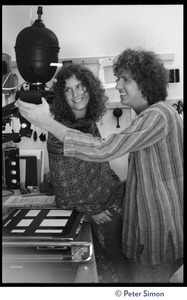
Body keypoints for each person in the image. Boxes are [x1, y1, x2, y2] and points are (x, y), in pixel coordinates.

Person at [15, 48, 183, 283]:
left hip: (154, 236)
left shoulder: (157, 116)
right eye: (118, 79)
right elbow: (149, 176)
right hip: (142, 229)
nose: (118, 85)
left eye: (126, 80)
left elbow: (105, 149)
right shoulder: (155, 115)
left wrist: (46, 122)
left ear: (145, 83)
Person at [16, 63, 130, 283]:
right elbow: (65, 187)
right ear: (61, 96)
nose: (76, 94)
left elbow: (99, 164)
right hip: (91, 217)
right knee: (93, 275)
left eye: (80, 86)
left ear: (90, 88)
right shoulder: (59, 130)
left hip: (110, 208)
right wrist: (89, 213)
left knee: (122, 270)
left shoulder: (88, 123)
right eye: (68, 90)